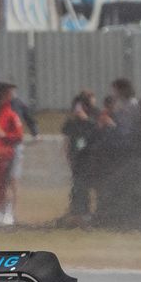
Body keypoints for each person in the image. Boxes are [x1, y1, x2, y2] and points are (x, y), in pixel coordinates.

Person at [0, 83, 26, 227]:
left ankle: (8, 213)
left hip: (7, 154)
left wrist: (5, 135)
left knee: (7, 183)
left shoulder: (10, 114)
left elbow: (19, 135)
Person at [61, 90, 104, 224]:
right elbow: (68, 139)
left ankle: (97, 212)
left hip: (92, 156)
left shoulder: (95, 116)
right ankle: (79, 211)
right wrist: (68, 156)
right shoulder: (72, 121)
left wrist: (86, 119)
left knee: (96, 185)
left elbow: (99, 130)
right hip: (78, 157)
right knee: (79, 186)